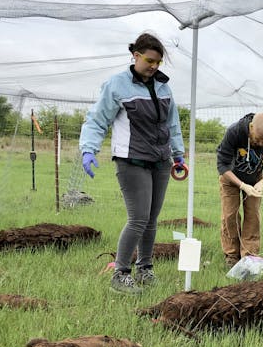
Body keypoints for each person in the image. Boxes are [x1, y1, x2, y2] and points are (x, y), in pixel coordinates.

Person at [79, 32, 186, 295]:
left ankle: (145, 269)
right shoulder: (117, 85)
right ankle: (121, 274)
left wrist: (178, 154)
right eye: (149, 60)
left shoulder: (163, 87)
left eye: (158, 62)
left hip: (160, 161)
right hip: (132, 160)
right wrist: (88, 150)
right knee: (138, 218)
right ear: (135, 55)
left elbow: (172, 124)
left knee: (151, 219)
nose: (153, 66)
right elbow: (97, 119)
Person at [216, 112, 263, 267]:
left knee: (253, 217)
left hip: (255, 180)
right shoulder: (234, 132)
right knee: (229, 215)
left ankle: (249, 257)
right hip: (230, 178)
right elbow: (222, 165)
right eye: (258, 139)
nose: (260, 144)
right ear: (251, 127)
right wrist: (242, 185)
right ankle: (231, 256)